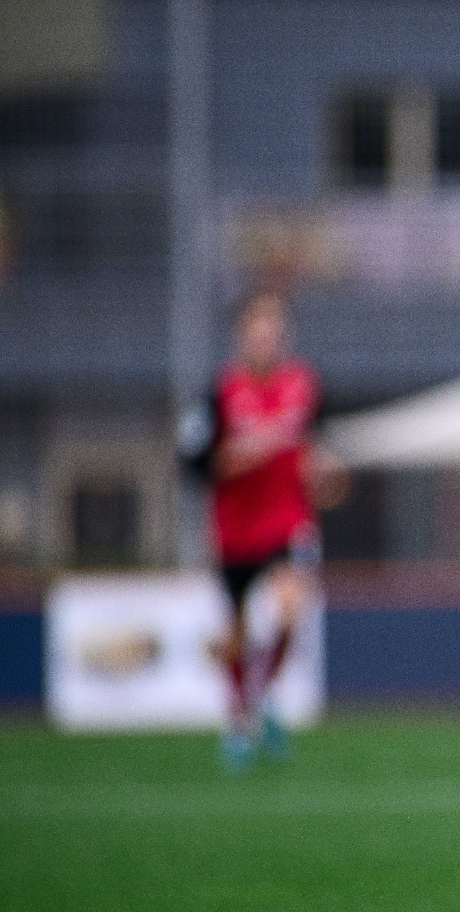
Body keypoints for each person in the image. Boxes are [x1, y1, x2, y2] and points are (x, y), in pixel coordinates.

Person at [195, 292, 328, 772]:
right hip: (234, 529)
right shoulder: (221, 391)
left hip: (287, 521)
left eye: (274, 325)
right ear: (242, 333)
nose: (266, 335)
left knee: (291, 611)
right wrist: (233, 457)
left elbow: (315, 450)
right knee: (235, 634)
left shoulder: (304, 384)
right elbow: (195, 462)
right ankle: (241, 716)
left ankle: (262, 694)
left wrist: (323, 473)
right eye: (258, 325)